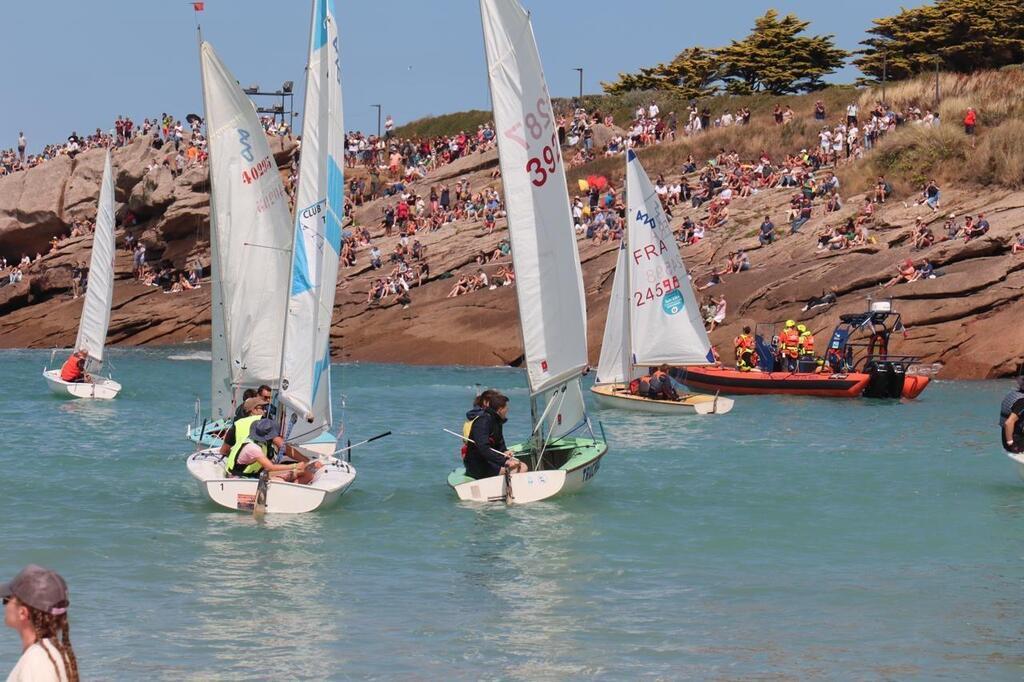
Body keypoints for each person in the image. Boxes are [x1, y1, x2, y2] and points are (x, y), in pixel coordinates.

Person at [3, 564, 78, 681]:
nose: (4, 605)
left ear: (22, 613)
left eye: (6, 600)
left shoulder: (36, 660)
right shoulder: (57, 651)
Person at [221, 408, 321, 484]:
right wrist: (296, 466)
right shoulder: (253, 448)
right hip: (243, 479)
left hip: (253, 474)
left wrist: (304, 464)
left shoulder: (253, 441)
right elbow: (271, 467)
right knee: (281, 480)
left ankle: (292, 494)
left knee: (307, 474)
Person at [463, 393, 527, 479]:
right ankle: (507, 490)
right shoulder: (482, 422)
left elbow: (500, 444)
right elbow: (483, 448)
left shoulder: (497, 422)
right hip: (478, 464)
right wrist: (504, 462)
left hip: (490, 461)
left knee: (521, 465)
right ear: (500, 409)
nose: (507, 410)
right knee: (520, 468)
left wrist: (505, 452)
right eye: (506, 408)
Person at [1000, 370, 1024, 454]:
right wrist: (1011, 443)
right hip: (1016, 444)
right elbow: (1008, 423)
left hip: (1005, 440)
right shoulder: (1022, 401)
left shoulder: (1013, 394)